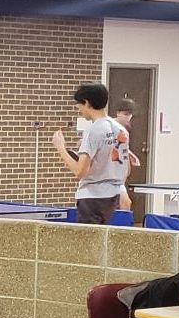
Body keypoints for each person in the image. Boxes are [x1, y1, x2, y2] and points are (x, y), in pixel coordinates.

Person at [50, 82, 129, 224]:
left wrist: (61, 148)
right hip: (114, 198)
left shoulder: (93, 131)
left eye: (79, 105)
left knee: (89, 244)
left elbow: (80, 171)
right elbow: (126, 168)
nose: (78, 108)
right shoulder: (121, 130)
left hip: (92, 200)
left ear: (86, 103)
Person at [112, 97, 143, 212]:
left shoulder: (125, 130)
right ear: (118, 113)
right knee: (125, 204)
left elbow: (122, 146)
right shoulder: (109, 127)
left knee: (125, 204)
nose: (128, 117)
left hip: (120, 177)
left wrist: (131, 154)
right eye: (125, 114)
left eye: (130, 114)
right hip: (111, 176)